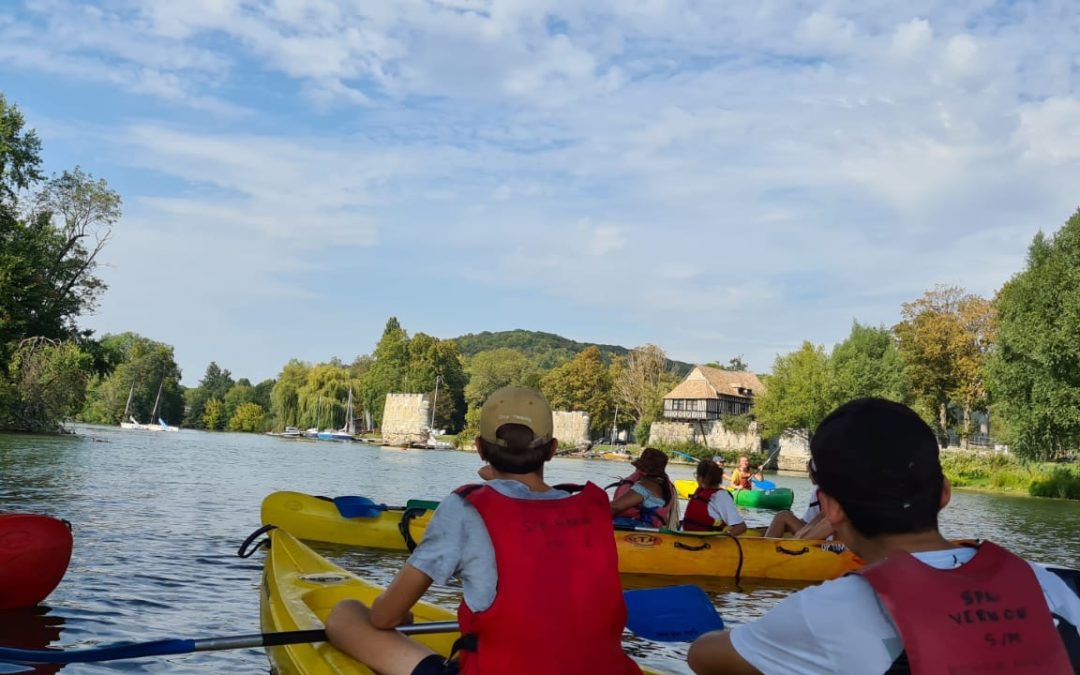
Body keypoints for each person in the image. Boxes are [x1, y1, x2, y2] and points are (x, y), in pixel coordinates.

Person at [687, 398, 1080, 674]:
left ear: (831, 508)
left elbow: (703, 657)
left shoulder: (826, 610)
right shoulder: (1060, 586)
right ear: (944, 492)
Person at [326, 386, 641, 675]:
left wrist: (400, 618)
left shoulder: (465, 508)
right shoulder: (594, 507)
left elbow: (383, 619)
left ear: (479, 448)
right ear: (552, 449)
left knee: (346, 613)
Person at [609, 447, 677, 528]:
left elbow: (615, 507)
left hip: (636, 531)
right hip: (650, 531)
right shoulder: (662, 486)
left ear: (642, 470)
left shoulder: (646, 485)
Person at [764, 460, 833, 540]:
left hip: (828, 537)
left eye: (810, 472)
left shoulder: (827, 492)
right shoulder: (817, 492)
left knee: (782, 516)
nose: (809, 476)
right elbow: (807, 521)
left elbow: (824, 516)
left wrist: (802, 532)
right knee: (784, 516)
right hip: (820, 531)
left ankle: (766, 546)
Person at [682, 459, 747, 535]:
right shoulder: (700, 493)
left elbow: (741, 527)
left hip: (708, 544)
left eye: (697, 475)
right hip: (689, 539)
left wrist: (723, 541)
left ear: (701, 478)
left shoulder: (721, 496)